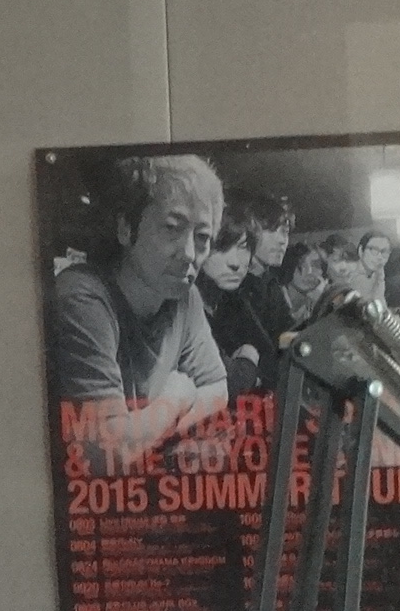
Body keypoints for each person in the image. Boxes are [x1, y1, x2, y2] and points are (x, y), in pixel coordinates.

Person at [44, 152, 230, 462]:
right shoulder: (82, 296)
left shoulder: (186, 297)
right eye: (172, 227)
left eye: (202, 237)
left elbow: (217, 388)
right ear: (125, 229)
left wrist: (148, 432)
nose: (189, 253)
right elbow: (107, 451)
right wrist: (175, 398)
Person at [197, 211, 277, 398]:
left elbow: (272, 364)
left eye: (243, 248)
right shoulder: (182, 303)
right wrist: (249, 357)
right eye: (221, 247)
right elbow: (232, 385)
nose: (235, 263)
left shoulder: (233, 301)